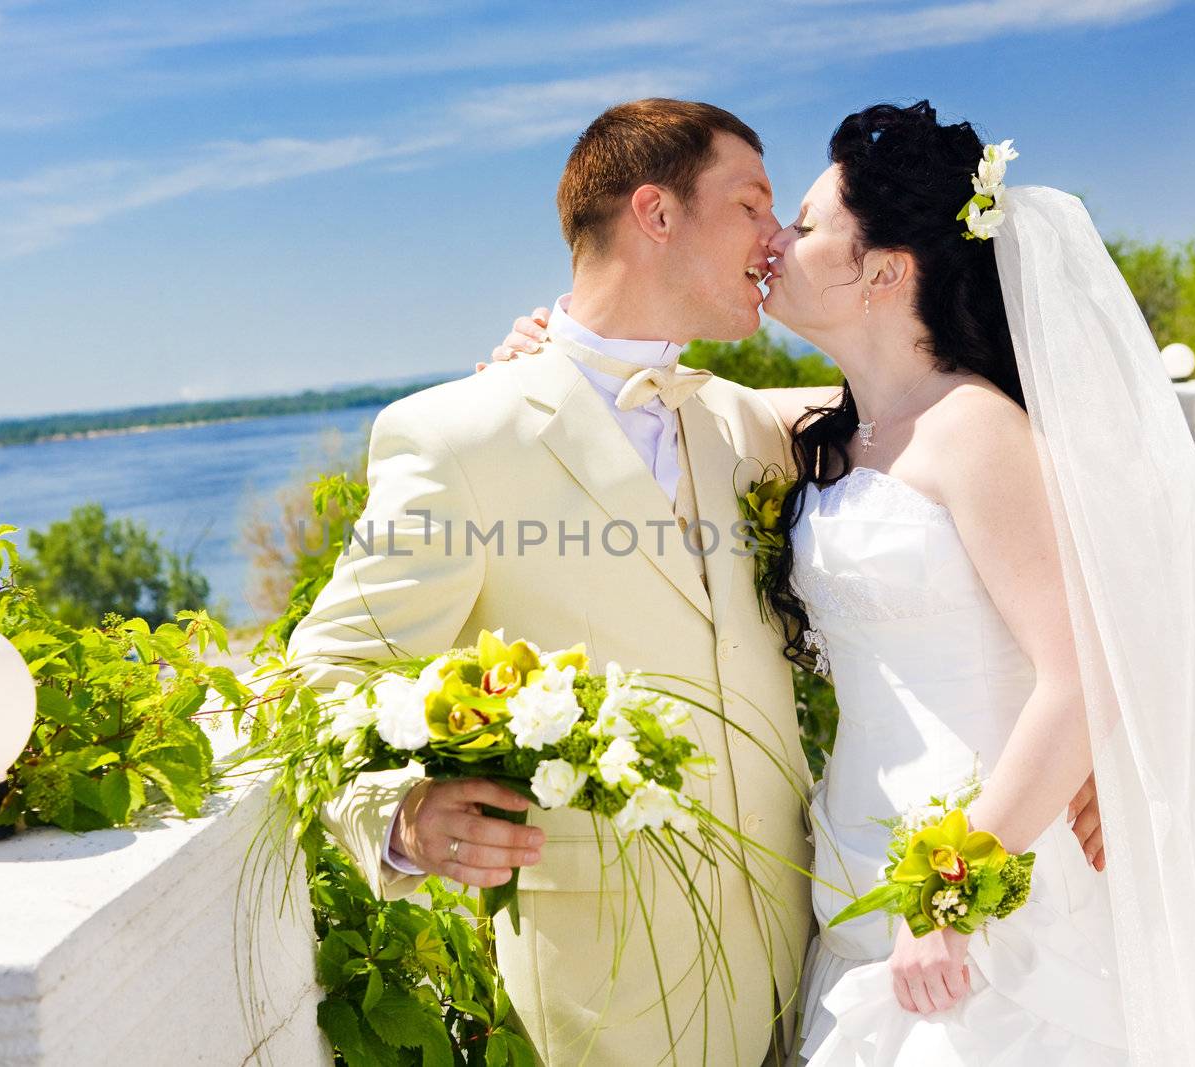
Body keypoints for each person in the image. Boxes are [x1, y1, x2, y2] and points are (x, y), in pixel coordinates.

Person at [490, 100, 1195, 1064]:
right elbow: (655, 412)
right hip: (854, 862)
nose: (773, 243)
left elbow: (1079, 675)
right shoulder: (831, 435)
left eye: (801, 226)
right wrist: (555, 363)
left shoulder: (977, 433)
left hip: (982, 874)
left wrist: (951, 889)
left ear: (885, 269)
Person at [286, 98, 815, 1065]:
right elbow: (327, 670)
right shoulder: (458, 437)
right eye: (752, 205)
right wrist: (402, 814)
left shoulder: (745, 426)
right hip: (608, 978)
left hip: (805, 958)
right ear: (655, 214)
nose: (778, 238)